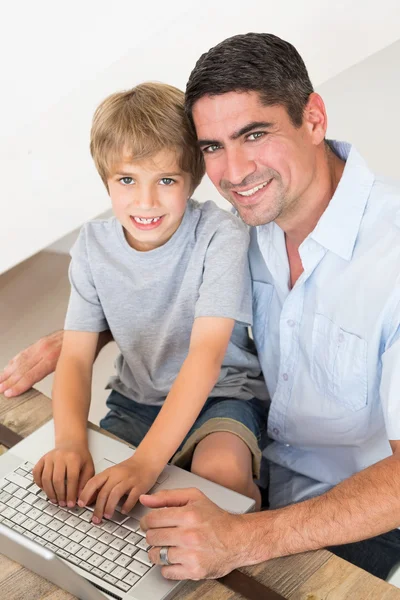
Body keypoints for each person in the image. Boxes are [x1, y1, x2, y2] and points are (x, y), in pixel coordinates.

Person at [2, 32, 400, 581]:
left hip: (350, 503)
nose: (233, 173)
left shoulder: (388, 256)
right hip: (258, 455)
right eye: (213, 146)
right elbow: (168, 282)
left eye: (254, 134)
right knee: (93, 556)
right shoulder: (253, 219)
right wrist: (86, 335)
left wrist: (247, 537)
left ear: (313, 119)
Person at [29, 81, 268, 523]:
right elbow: (77, 358)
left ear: (193, 179)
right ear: (105, 181)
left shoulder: (220, 235)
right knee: (93, 494)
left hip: (220, 397)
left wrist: (145, 463)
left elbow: (206, 356)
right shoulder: (91, 247)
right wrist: (69, 443)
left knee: (220, 479)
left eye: (166, 180)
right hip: (137, 402)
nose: (145, 201)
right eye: (126, 180)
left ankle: (257, 516)